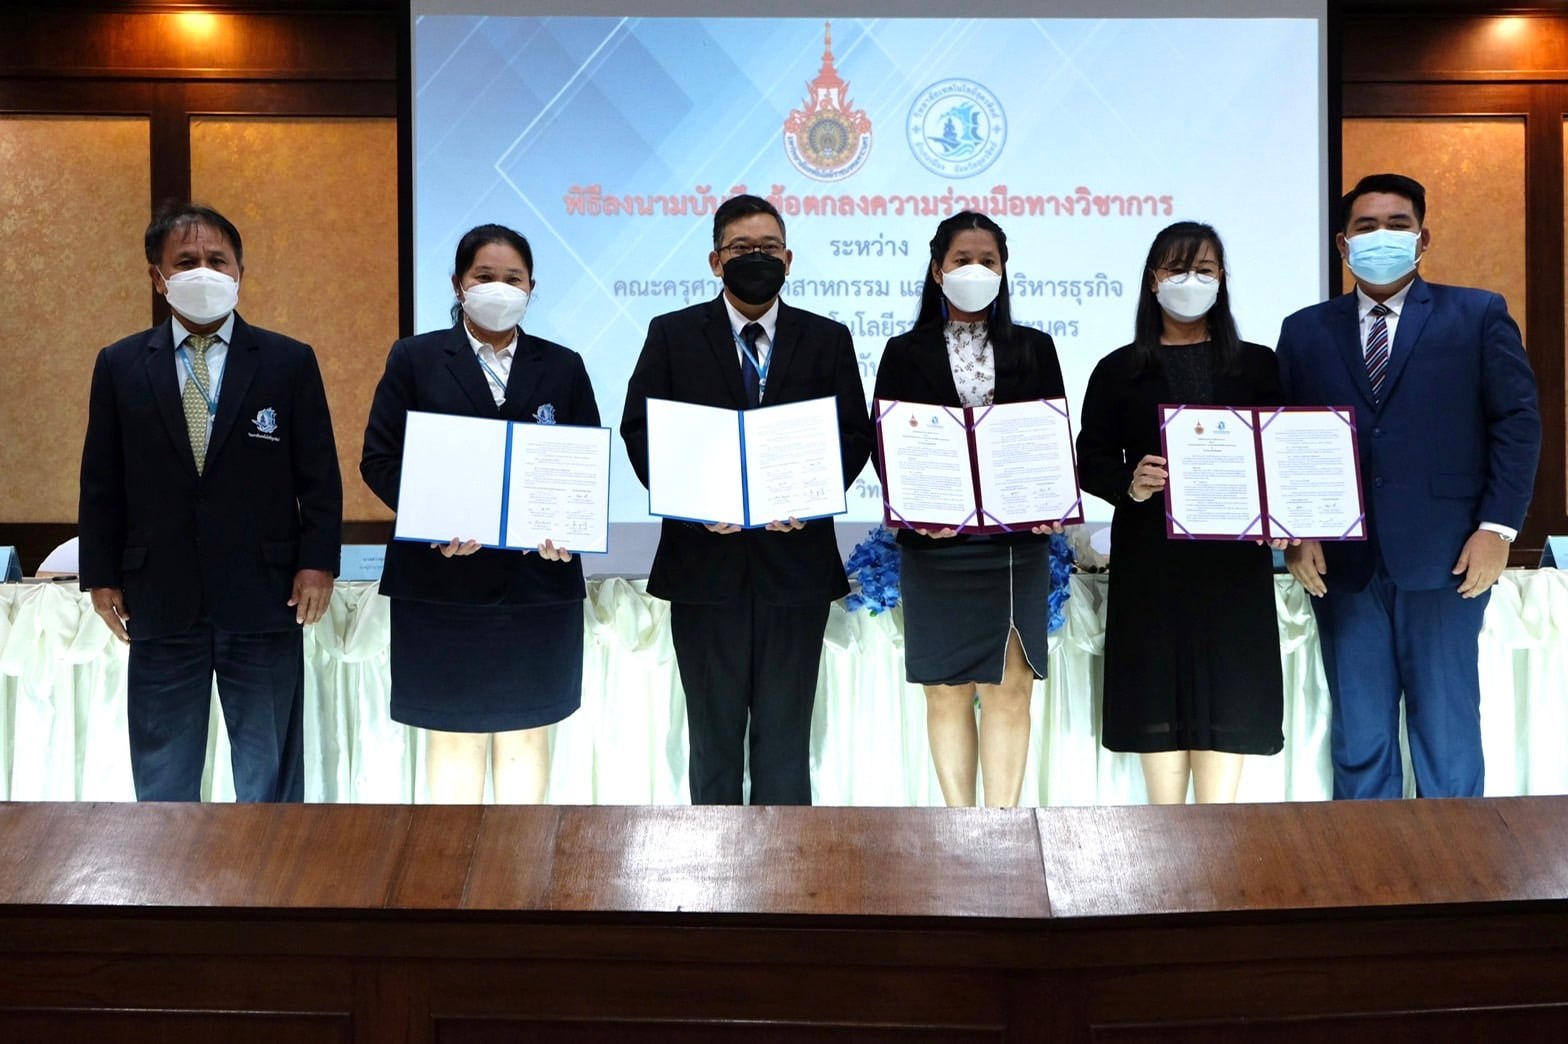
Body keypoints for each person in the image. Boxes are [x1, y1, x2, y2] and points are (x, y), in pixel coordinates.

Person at [1276, 173, 1540, 799]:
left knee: (1447, 734)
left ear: (1424, 238)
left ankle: (1459, 889)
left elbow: (1517, 423)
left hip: (1450, 555)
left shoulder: (1477, 313)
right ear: (1343, 245)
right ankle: (1370, 888)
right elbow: (1287, 440)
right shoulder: (1305, 330)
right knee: (1360, 737)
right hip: (1341, 560)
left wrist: (1497, 528)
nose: (1381, 236)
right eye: (1366, 227)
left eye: (1397, 224)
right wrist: (1294, 533)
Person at [78, 201, 342, 802]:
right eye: (187, 261)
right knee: (163, 774)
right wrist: (99, 575)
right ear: (158, 277)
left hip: (267, 596)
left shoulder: (287, 361)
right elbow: (101, 481)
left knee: (268, 773)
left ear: (239, 272)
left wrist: (318, 561)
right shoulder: (119, 366)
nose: (204, 271)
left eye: (217, 260)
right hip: (160, 599)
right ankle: (171, 892)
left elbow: (319, 477)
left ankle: (274, 890)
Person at [620, 194, 873, 806]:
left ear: (788, 259)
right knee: (713, 738)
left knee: (787, 742)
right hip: (704, 566)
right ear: (715, 260)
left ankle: (788, 886)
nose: (754, 258)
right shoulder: (673, 334)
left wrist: (812, 498)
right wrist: (691, 501)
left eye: (766, 249)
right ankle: (714, 886)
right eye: (740, 249)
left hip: (797, 567)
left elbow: (853, 434)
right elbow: (641, 429)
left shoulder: (827, 338)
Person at [361, 223, 599, 804]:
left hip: (537, 587)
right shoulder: (415, 358)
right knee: (452, 740)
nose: (499, 287)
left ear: (532, 288)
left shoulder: (563, 366)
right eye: (484, 276)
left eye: (512, 278)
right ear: (458, 284)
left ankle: (519, 883)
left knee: (526, 736)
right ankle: (450, 884)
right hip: (442, 586)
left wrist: (568, 528)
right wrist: (432, 517)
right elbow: (380, 459)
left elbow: (584, 466)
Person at [1077, 221, 1286, 804]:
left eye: (1205, 270)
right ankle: (1168, 850)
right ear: (1152, 282)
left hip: (1233, 567)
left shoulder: (1258, 366)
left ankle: (1216, 854)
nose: (1190, 282)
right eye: (1176, 270)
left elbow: (1284, 452)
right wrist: (1130, 483)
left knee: (1229, 701)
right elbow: (1089, 459)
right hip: (1151, 562)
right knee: (1157, 698)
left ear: (1222, 281)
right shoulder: (1118, 368)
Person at [870, 211, 1065, 808]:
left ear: (1004, 272)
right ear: (937, 271)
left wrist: (1049, 499)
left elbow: (1051, 439)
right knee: (946, 690)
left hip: (1015, 545)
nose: (975, 270)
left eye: (988, 261)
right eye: (962, 260)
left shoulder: (1035, 347)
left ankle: (1003, 829)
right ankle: (959, 827)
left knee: (1010, 687)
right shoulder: (903, 351)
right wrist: (910, 505)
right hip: (934, 545)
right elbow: (885, 443)